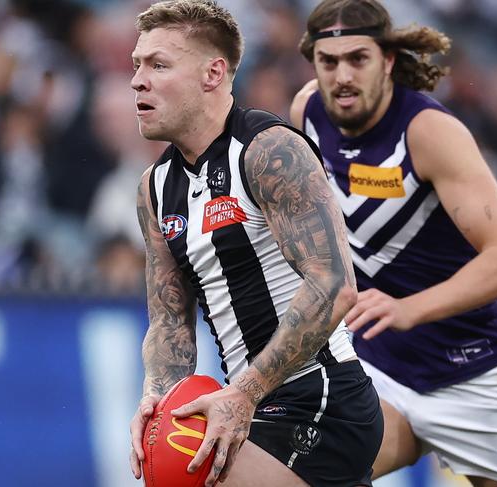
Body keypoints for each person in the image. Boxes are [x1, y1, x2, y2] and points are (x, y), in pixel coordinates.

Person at [290, 1, 497, 486]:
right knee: (306, 478)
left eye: (358, 58)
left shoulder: (429, 132)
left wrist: (408, 308)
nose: (342, 76)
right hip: (379, 366)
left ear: (389, 60)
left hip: (473, 372)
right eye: (328, 61)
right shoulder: (308, 112)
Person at [127, 2, 383, 487]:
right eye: (136, 65)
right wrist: (157, 398)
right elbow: (169, 318)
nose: (138, 80)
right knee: (171, 457)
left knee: (185, 474)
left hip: (321, 395)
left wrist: (244, 392)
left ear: (213, 73)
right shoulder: (154, 188)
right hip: (253, 402)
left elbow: (334, 285)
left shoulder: (269, 150)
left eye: (158, 65)